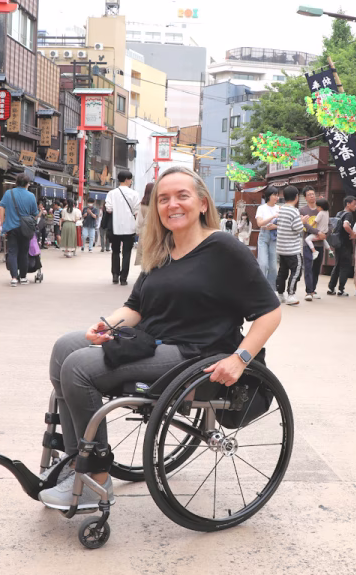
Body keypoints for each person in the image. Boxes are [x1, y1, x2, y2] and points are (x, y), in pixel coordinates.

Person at [38, 166, 282, 510]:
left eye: (182, 196)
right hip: (153, 341)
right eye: (163, 199)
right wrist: (104, 326)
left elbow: (270, 312)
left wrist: (240, 359)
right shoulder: (161, 249)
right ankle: (77, 458)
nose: (172, 205)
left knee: (79, 368)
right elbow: (134, 307)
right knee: (65, 346)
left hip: (197, 353)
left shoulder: (223, 248)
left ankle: (95, 477)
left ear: (201, 203)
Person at [0, 174, 38, 287]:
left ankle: (14, 278)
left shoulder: (8, 193)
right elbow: (35, 213)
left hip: (11, 228)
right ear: (27, 184)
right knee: (24, 253)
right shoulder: (31, 196)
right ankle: (24, 277)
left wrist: (3, 222)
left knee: (12, 252)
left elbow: (1, 207)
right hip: (26, 229)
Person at [104, 170, 140, 285]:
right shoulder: (134, 194)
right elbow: (137, 211)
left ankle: (115, 275)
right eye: (130, 179)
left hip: (115, 227)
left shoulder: (111, 193)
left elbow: (108, 209)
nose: (131, 181)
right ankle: (123, 278)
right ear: (127, 180)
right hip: (129, 228)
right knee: (127, 253)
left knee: (115, 251)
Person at [275, 185, 305, 305]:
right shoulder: (294, 210)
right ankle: (291, 295)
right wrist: (303, 221)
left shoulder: (281, 209)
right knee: (297, 270)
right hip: (292, 249)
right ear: (297, 197)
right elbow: (298, 228)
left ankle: (280, 294)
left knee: (283, 272)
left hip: (281, 248)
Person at [299, 186, 327, 301]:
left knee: (316, 268)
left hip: (320, 243)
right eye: (309, 194)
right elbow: (305, 225)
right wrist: (317, 232)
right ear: (305, 198)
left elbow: (328, 223)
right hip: (307, 243)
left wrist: (326, 234)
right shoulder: (302, 210)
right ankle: (308, 291)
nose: (312, 196)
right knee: (308, 267)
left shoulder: (321, 209)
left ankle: (313, 289)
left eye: (313, 194)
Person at [327, 196, 356, 296]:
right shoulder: (349, 214)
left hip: (338, 243)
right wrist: (352, 233)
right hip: (345, 244)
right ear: (348, 204)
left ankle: (331, 288)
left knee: (337, 265)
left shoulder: (339, 213)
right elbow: (345, 225)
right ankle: (341, 289)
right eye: (354, 204)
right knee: (345, 266)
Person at [255, 186, 280, 287]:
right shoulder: (261, 208)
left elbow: (283, 224)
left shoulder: (279, 208)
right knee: (263, 264)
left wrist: (275, 226)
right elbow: (259, 223)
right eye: (274, 195)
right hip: (264, 236)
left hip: (275, 237)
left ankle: (271, 289)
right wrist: (273, 217)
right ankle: (260, 287)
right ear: (269, 196)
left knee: (273, 266)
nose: (276, 197)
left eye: (277, 195)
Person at [134, 182, 154, 266]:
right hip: (155, 229)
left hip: (145, 230)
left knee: (144, 251)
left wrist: (138, 231)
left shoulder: (142, 204)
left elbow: (139, 221)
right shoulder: (157, 203)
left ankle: (145, 270)